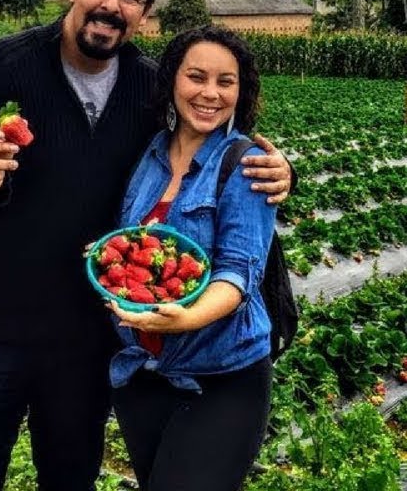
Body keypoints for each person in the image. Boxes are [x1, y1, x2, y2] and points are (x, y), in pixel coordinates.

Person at [0, 0, 293, 491]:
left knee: (70, 479)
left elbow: (210, 140)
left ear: (144, 14)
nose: (111, 5)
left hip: (84, 340)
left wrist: (284, 172)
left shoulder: (149, 91)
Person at [106, 26, 276, 491]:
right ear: (173, 81)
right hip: (141, 369)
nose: (210, 93)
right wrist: (106, 254)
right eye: (196, 77)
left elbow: (239, 272)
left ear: (241, 91)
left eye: (226, 81)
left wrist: (187, 317)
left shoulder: (248, 164)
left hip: (223, 374)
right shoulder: (151, 153)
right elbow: (134, 241)